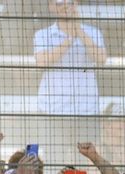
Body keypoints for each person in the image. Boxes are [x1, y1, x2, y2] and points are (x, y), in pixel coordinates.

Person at [33, 0, 107, 143]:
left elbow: (101, 58)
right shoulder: (42, 34)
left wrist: (79, 31)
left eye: (70, 3)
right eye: (60, 3)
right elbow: (42, 61)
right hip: (53, 110)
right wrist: (70, 39)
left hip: (86, 110)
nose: (66, 7)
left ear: (77, 4)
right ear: (51, 6)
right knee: (55, 161)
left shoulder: (93, 32)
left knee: (85, 162)